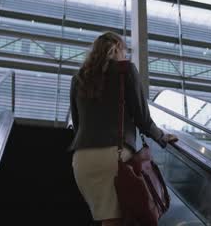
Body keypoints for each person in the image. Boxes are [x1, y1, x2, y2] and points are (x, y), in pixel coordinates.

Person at [69, 31, 178, 226]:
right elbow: (142, 118)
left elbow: (77, 124)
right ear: (118, 48)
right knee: (116, 220)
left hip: (82, 160)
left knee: (110, 219)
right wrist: (162, 136)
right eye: (124, 51)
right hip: (114, 158)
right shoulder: (125, 70)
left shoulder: (78, 78)